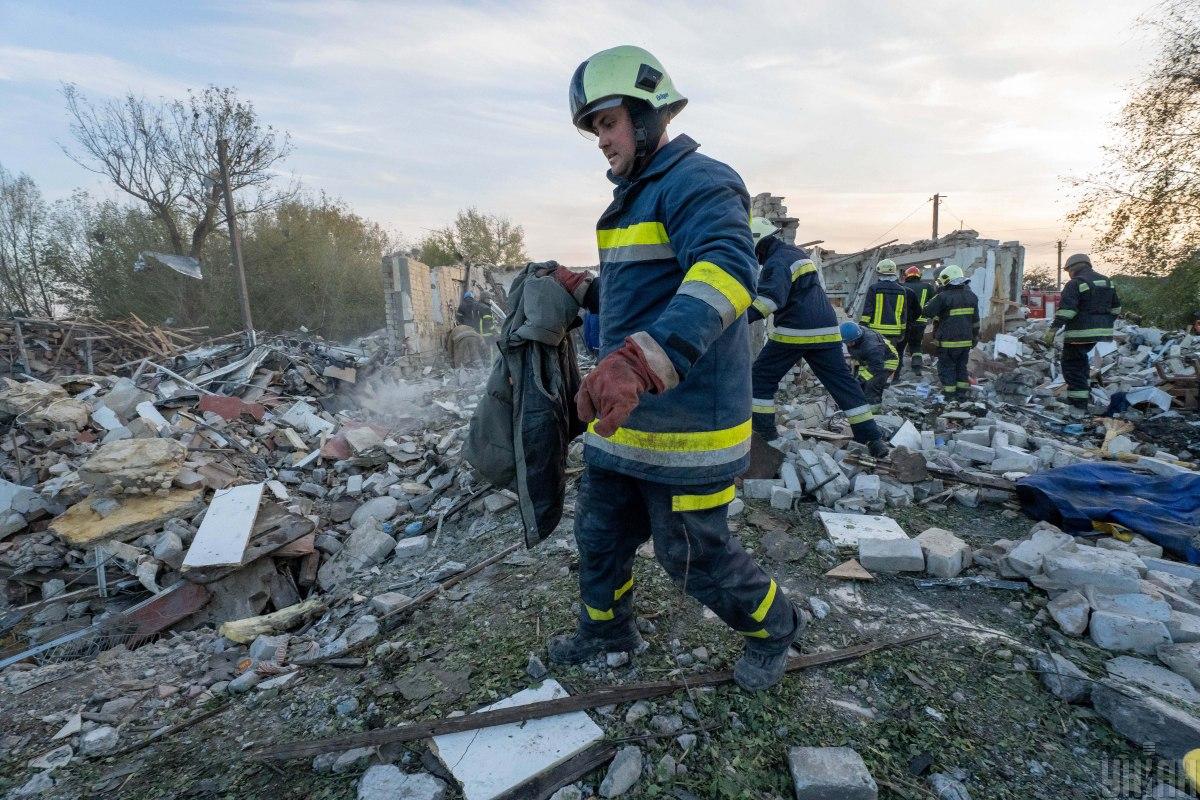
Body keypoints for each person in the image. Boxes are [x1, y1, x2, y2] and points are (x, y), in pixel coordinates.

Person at [541, 45, 801, 691]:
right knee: (599, 537)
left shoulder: (698, 181)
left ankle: (776, 630)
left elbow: (725, 274)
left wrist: (634, 361)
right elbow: (647, 296)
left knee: (693, 557)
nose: (601, 140)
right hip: (627, 421)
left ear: (648, 113)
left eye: (608, 122)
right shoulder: (635, 198)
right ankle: (605, 632)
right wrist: (582, 289)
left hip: (690, 424)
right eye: (595, 128)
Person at [746, 216, 887, 457]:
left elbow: (769, 300)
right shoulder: (796, 254)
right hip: (827, 331)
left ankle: (765, 435)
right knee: (843, 384)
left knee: (760, 379)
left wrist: (736, 320)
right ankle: (873, 440)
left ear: (758, 243)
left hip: (794, 331)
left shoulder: (777, 262)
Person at [1042, 253, 1121, 413]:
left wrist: (1053, 329)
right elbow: (1116, 309)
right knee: (1081, 362)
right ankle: (1079, 398)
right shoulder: (1107, 282)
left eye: (1068, 270)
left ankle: (1078, 405)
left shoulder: (1076, 283)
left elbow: (1067, 311)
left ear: (1073, 267)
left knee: (1072, 367)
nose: (1069, 274)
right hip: (1099, 334)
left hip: (1079, 334)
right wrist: (1103, 324)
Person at [920, 265, 980, 403]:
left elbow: (927, 312)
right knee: (961, 368)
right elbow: (975, 322)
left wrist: (935, 296)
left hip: (947, 342)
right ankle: (961, 395)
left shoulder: (943, 297)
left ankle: (950, 396)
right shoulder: (972, 296)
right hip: (966, 342)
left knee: (947, 368)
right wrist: (975, 338)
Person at [859, 258, 911, 380]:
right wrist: (902, 332)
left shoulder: (874, 288)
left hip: (875, 332)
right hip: (894, 333)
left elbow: (868, 310)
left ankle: (869, 379)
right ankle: (886, 381)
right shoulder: (901, 290)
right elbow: (903, 313)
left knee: (873, 356)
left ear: (879, 273)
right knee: (889, 358)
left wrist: (862, 327)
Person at [839, 321, 898, 412]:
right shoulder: (854, 335)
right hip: (868, 361)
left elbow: (877, 367)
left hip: (886, 361)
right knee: (860, 386)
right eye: (846, 342)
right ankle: (858, 407)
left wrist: (860, 379)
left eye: (850, 342)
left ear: (857, 338)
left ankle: (873, 412)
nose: (847, 345)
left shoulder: (872, 346)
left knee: (872, 385)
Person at [899, 266, 936, 378]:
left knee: (900, 346)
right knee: (916, 345)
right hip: (920, 322)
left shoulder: (901, 287)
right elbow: (933, 304)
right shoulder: (928, 287)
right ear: (919, 275)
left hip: (904, 322)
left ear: (906, 276)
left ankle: (897, 371)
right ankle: (916, 366)